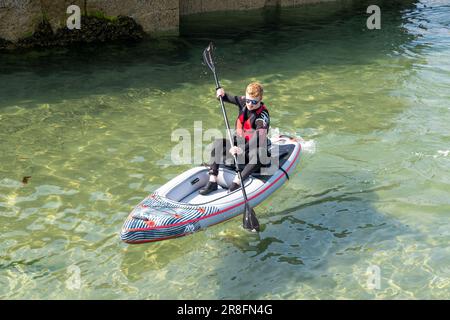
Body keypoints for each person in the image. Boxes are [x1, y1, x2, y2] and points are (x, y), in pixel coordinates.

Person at [199, 82, 271, 195]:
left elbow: (258, 137)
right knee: (219, 142)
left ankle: (237, 183)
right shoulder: (243, 102)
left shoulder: (262, 115)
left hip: (253, 151)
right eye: (248, 100)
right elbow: (226, 97)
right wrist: (221, 94)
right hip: (239, 148)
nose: (250, 104)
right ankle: (213, 181)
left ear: (260, 99)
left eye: (254, 102)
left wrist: (242, 149)